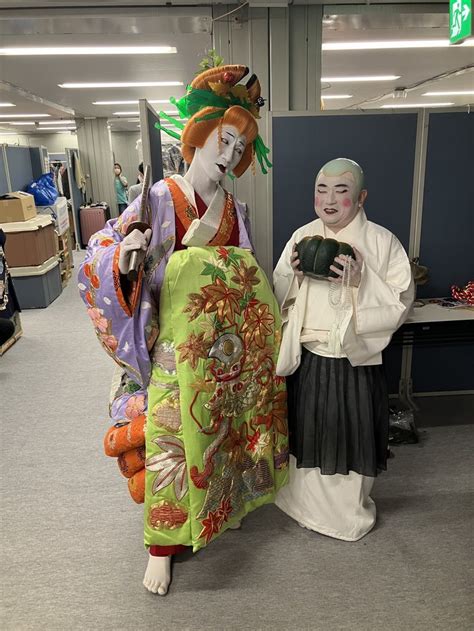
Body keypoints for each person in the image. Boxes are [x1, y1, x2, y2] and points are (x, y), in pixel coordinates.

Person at [78, 63, 287, 596]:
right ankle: (162, 547)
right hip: (174, 346)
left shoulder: (237, 211)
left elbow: (247, 278)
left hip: (224, 350)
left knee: (224, 434)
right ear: (198, 136)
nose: (230, 154)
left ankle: (221, 510)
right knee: (171, 444)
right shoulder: (156, 198)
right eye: (225, 139)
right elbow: (104, 248)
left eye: (241, 148)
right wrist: (125, 262)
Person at [273, 158, 413, 542]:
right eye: (322, 190)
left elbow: (401, 301)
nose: (329, 200)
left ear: (361, 196)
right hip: (310, 357)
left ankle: (348, 516)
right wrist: (294, 277)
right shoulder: (302, 236)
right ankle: (301, 504)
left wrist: (362, 281)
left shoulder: (383, 243)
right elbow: (279, 290)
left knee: (350, 432)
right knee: (308, 432)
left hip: (353, 359)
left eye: (341, 191)